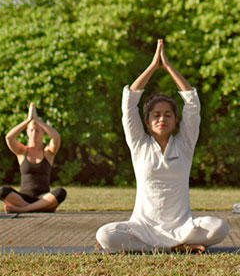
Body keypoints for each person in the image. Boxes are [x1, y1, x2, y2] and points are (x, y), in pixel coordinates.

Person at [95, 39, 229, 253]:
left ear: (176, 120)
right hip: (143, 227)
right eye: (156, 116)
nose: (162, 119)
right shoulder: (139, 145)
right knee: (105, 235)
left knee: (220, 227)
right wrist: (152, 67)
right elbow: (129, 105)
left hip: (182, 227)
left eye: (168, 115)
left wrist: (168, 67)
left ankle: (168, 245)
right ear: (147, 122)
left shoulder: (184, 144)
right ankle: (175, 248)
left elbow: (192, 105)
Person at [0, 102, 68, 213]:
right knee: (1, 191)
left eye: (37, 130)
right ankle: (40, 208)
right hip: (23, 198)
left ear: (43, 133)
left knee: (61, 192)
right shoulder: (22, 151)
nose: (34, 133)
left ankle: (24, 209)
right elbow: (9, 138)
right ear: (27, 132)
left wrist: (38, 121)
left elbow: (56, 138)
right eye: (31, 130)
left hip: (43, 198)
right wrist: (28, 120)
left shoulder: (48, 152)